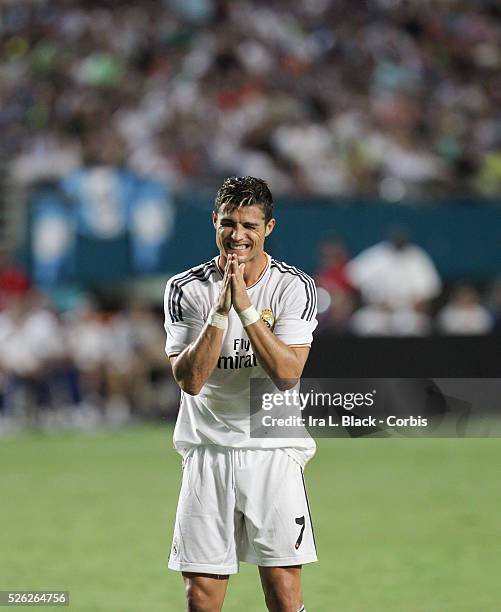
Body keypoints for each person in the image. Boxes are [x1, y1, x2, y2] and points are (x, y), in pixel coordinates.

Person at [164, 176, 318, 612]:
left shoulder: (293, 286)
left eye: (250, 225)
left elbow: (288, 373)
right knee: (201, 597)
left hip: (273, 448)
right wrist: (219, 311)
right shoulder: (185, 288)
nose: (238, 235)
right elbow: (190, 380)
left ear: (269, 227)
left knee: (284, 594)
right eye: (229, 222)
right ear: (214, 221)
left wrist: (245, 307)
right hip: (207, 450)